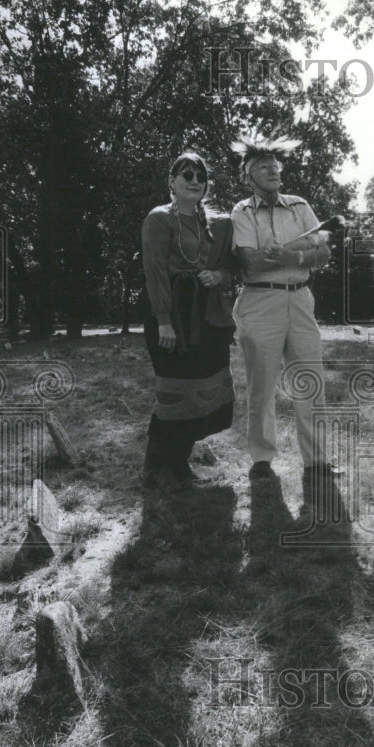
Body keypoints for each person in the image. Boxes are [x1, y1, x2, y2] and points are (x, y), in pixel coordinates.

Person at [230, 133, 334, 481]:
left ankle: (317, 461)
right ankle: (262, 459)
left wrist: (293, 256)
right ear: (249, 176)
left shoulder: (301, 206)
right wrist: (276, 258)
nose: (272, 170)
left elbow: (324, 252)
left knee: (310, 379)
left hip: (301, 300)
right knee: (262, 384)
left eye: (275, 165)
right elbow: (249, 264)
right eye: (263, 166)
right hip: (260, 302)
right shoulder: (241, 212)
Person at [141, 152, 235, 488]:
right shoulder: (158, 219)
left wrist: (219, 275)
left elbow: (233, 267)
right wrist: (164, 320)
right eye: (187, 174)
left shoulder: (219, 225)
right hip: (171, 315)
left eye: (201, 176)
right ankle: (154, 468)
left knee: (199, 390)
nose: (195, 180)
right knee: (174, 390)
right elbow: (154, 272)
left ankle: (180, 465)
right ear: (171, 182)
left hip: (206, 315)